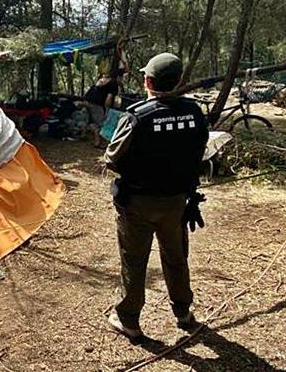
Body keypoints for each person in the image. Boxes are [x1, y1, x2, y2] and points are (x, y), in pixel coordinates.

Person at [102, 53, 208, 339]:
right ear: (179, 81)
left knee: (134, 261)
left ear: (148, 81)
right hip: (176, 202)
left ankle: (129, 320)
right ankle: (184, 312)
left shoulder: (137, 115)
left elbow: (111, 158)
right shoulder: (195, 112)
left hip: (137, 204)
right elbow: (200, 150)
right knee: (176, 256)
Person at [83, 69, 123, 146]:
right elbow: (108, 99)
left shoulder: (105, 80)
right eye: (121, 78)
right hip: (96, 104)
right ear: (118, 77)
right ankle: (98, 143)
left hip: (87, 100)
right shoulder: (113, 84)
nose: (121, 80)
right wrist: (107, 110)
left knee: (90, 121)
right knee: (101, 123)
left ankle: (85, 136)